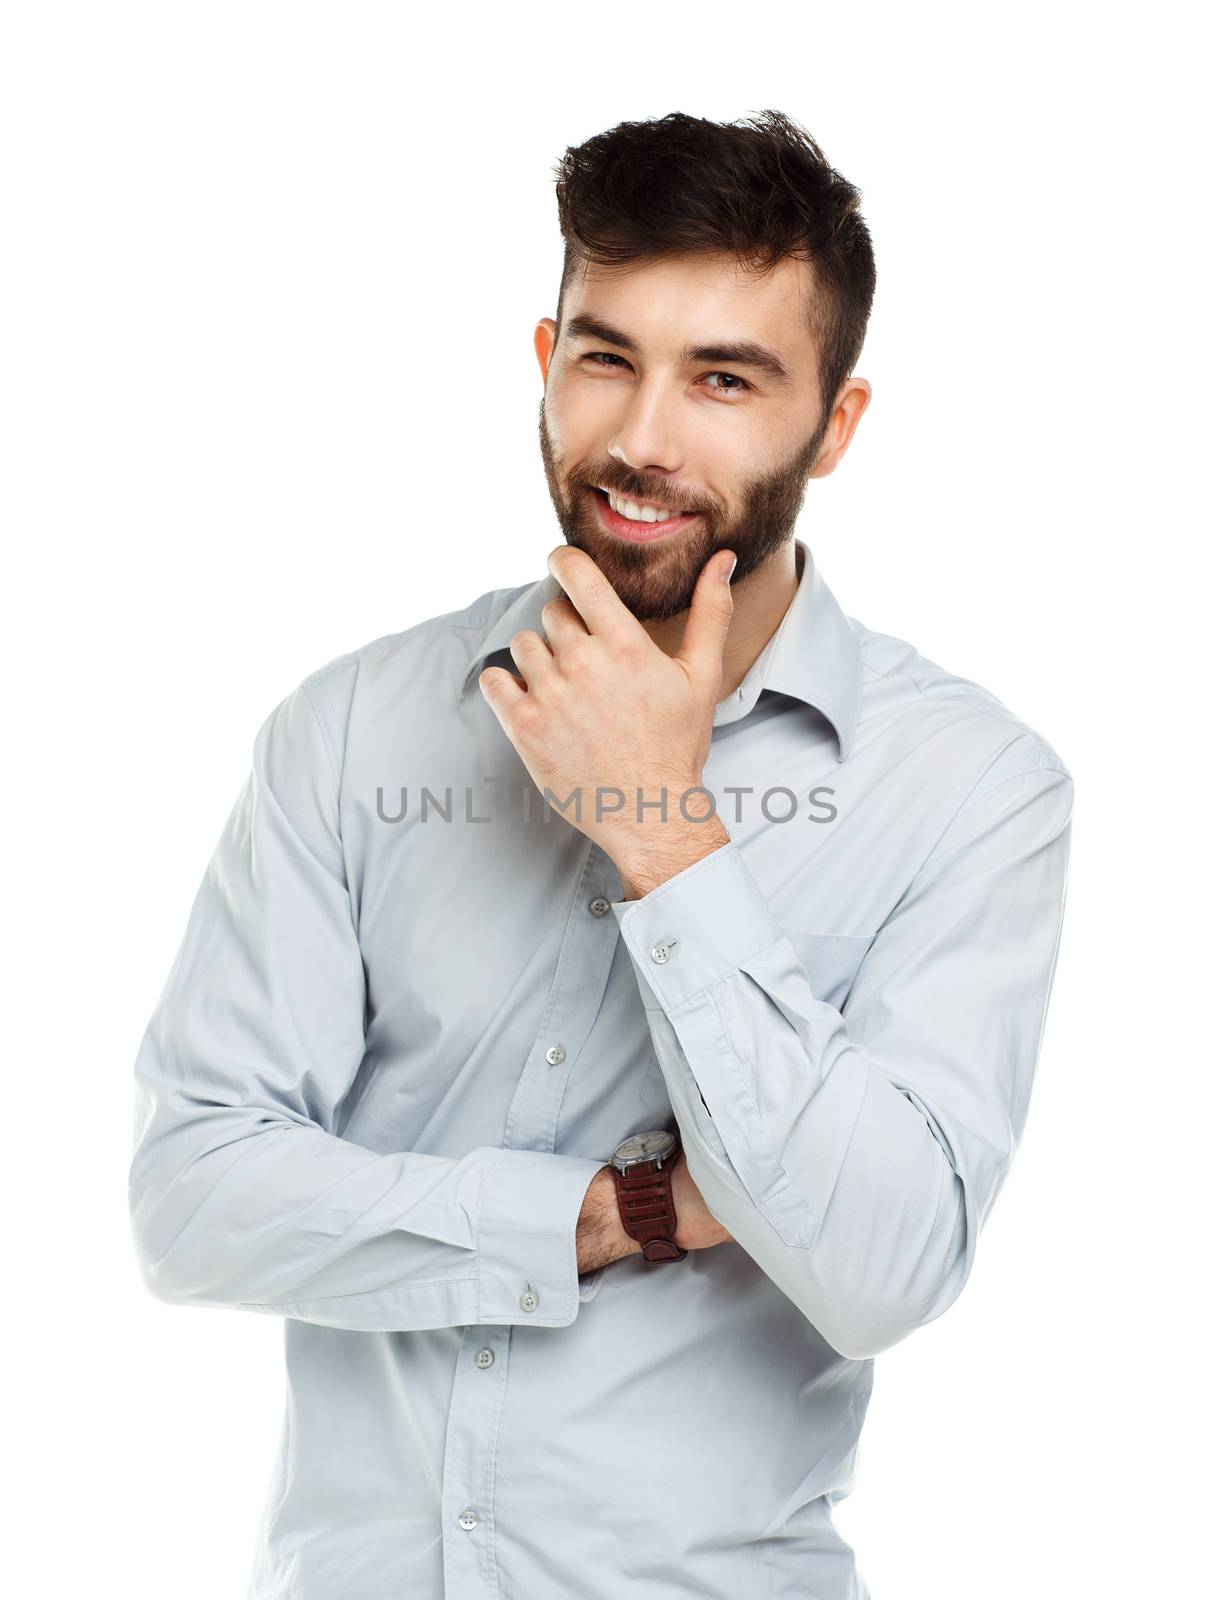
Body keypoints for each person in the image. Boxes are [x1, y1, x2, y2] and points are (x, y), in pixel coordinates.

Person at [128, 109, 1074, 1600]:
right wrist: (609, 1216)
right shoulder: (352, 729)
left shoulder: (968, 787)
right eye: (606, 355)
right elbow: (191, 1199)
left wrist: (660, 829)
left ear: (835, 422)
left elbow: (885, 1269)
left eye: (724, 379)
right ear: (544, 358)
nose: (641, 437)